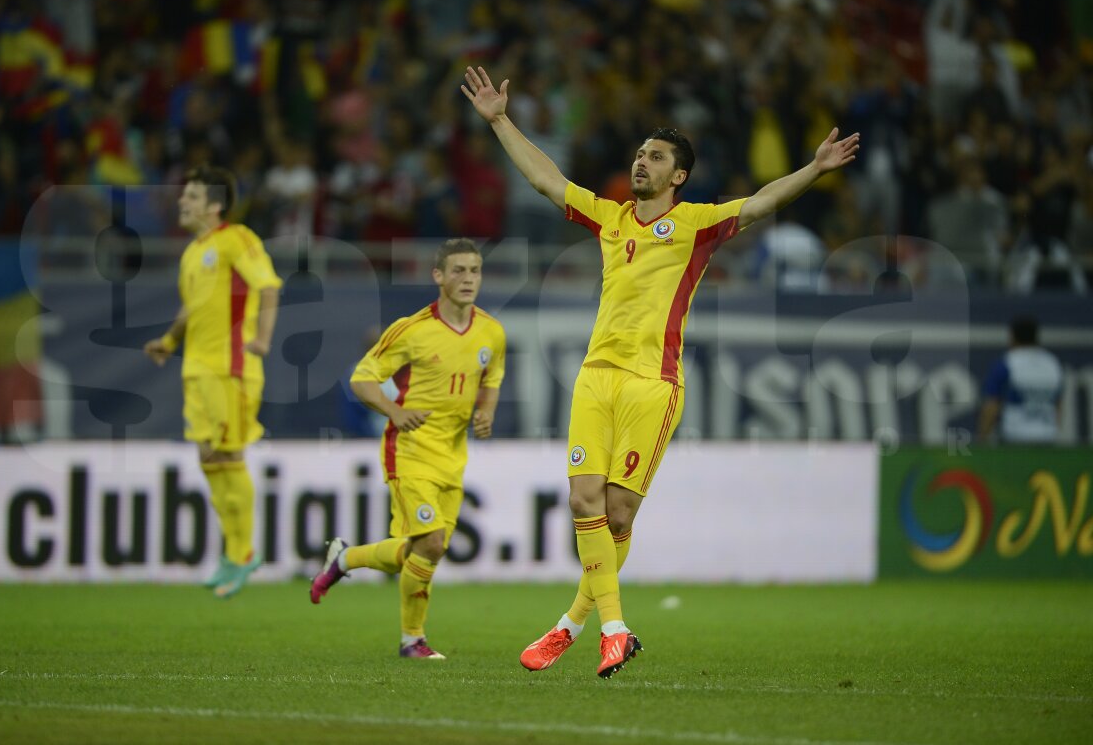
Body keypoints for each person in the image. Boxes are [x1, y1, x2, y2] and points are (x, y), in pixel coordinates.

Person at [460, 65, 859, 678]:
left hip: (653, 383)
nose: (641, 162)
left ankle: (571, 622)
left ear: (679, 175)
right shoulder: (610, 217)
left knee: (616, 514)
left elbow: (762, 203)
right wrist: (500, 121)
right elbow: (547, 180)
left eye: (656, 157)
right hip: (596, 375)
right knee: (581, 499)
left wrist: (814, 169)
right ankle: (614, 630)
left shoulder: (697, 225)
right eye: (640, 153)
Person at [309, 238, 506, 660]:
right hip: (410, 448)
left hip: (453, 455)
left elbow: (491, 377)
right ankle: (411, 640)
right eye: (458, 270)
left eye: (474, 270)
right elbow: (362, 379)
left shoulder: (492, 331)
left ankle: (344, 560)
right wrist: (394, 413)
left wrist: (485, 412)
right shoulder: (412, 330)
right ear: (438, 276)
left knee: (418, 552)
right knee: (431, 544)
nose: (468, 278)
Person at [144, 166, 282, 598]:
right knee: (208, 457)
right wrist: (169, 340)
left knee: (228, 454)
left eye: (192, 196)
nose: (183, 202)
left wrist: (262, 338)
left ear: (215, 205)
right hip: (197, 369)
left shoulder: (237, 238)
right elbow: (192, 308)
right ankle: (233, 552)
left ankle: (242, 553)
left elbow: (270, 286)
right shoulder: (192, 253)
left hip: (232, 368)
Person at [977, 316, 1063, 444]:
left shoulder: (1007, 363)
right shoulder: (1052, 363)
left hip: (1014, 437)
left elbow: (992, 404)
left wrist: (983, 437)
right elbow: (1058, 404)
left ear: (1012, 337)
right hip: (1047, 436)